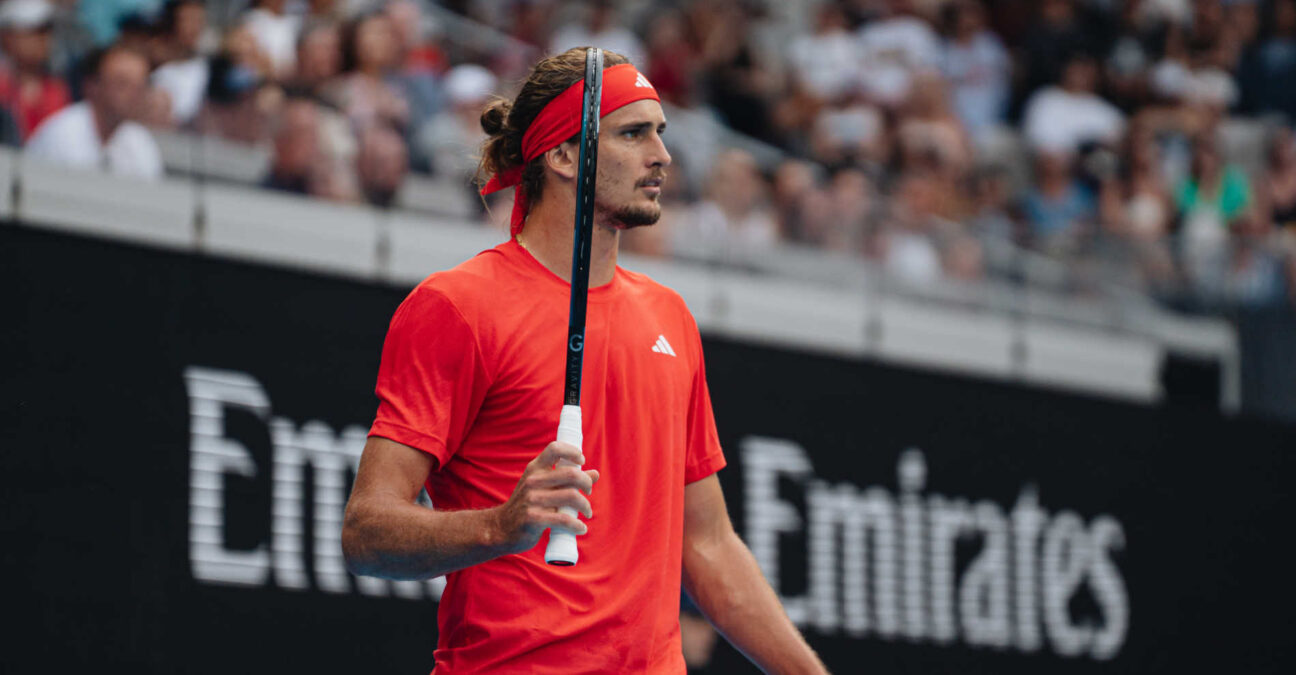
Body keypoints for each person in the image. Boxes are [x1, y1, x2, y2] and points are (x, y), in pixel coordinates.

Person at [342, 48, 827, 674]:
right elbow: (365, 533)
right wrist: (500, 526)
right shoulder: (458, 306)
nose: (663, 155)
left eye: (661, 131)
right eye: (633, 133)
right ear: (564, 155)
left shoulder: (671, 318)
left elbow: (707, 543)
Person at [25, 43, 162, 180]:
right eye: (122, 83)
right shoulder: (62, 134)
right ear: (92, 86)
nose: (134, 94)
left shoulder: (141, 142)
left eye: (141, 86)